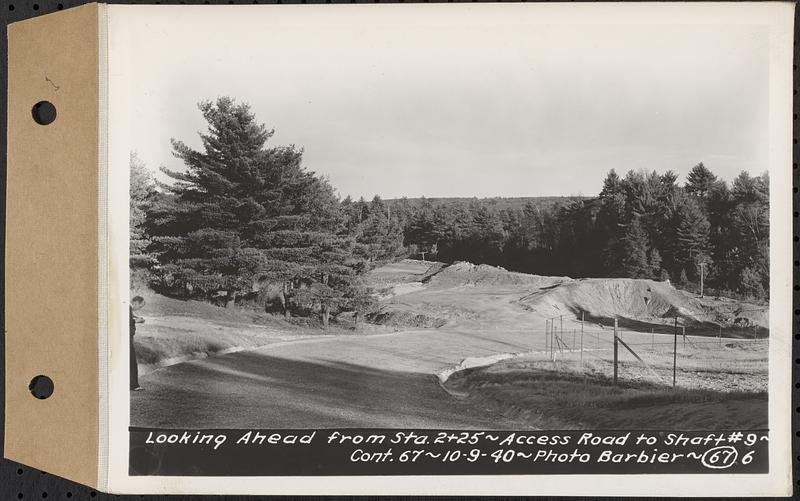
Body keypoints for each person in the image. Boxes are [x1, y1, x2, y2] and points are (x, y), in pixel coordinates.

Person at [130, 296, 146, 391]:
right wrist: (137, 320)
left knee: (130, 361)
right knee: (132, 361)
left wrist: (135, 317)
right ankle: (134, 385)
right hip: (126, 337)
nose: (139, 309)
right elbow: (125, 320)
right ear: (136, 303)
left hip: (126, 336)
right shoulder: (128, 308)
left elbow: (129, 316)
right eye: (140, 306)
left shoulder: (128, 308)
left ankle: (132, 384)